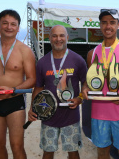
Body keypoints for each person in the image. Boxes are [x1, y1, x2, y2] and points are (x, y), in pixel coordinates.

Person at [82, 9, 119, 159]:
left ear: (118, 25)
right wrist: (85, 88)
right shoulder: (92, 53)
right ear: (99, 25)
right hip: (99, 114)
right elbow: (90, 81)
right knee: (102, 153)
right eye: (104, 22)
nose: (108, 26)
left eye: (112, 22)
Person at [28, 25, 87, 159]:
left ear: (67, 38)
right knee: (47, 152)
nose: (58, 39)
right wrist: (33, 108)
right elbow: (38, 87)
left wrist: (80, 98)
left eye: (61, 36)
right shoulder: (42, 63)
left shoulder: (78, 60)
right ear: (50, 38)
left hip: (71, 116)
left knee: (73, 152)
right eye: (54, 36)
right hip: (48, 115)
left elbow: (86, 83)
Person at [0, 9, 36, 159]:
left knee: (17, 146)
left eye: (13, 24)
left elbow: (31, 79)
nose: (9, 27)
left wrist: (13, 90)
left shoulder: (25, 50)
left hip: (14, 101)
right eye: (5, 23)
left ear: (18, 27)